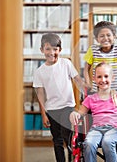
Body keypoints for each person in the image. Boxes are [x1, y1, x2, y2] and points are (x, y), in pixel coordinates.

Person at [70, 62, 117, 162]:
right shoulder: (90, 99)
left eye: (106, 76)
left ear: (112, 78)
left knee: (107, 142)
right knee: (88, 143)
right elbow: (80, 113)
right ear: (94, 79)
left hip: (114, 129)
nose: (103, 80)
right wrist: (75, 114)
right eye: (99, 77)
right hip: (96, 129)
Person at [33, 33, 87, 162]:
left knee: (68, 138)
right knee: (57, 141)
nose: (52, 52)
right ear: (42, 50)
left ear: (60, 50)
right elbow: (40, 95)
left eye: (55, 49)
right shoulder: (39, 72)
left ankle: (72, 159)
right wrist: (43, 114)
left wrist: (88, 90)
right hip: (51, 110)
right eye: (48, 49)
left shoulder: (66, 63)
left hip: (67, 107)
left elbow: (78, 80)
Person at [83, 21, 117, 93]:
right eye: (102, 36)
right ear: (97, 39)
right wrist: (87, 83)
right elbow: (86, 69)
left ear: (114, 37)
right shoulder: (92, 50)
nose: (105, 38)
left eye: (108, 35)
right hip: (98, 91)